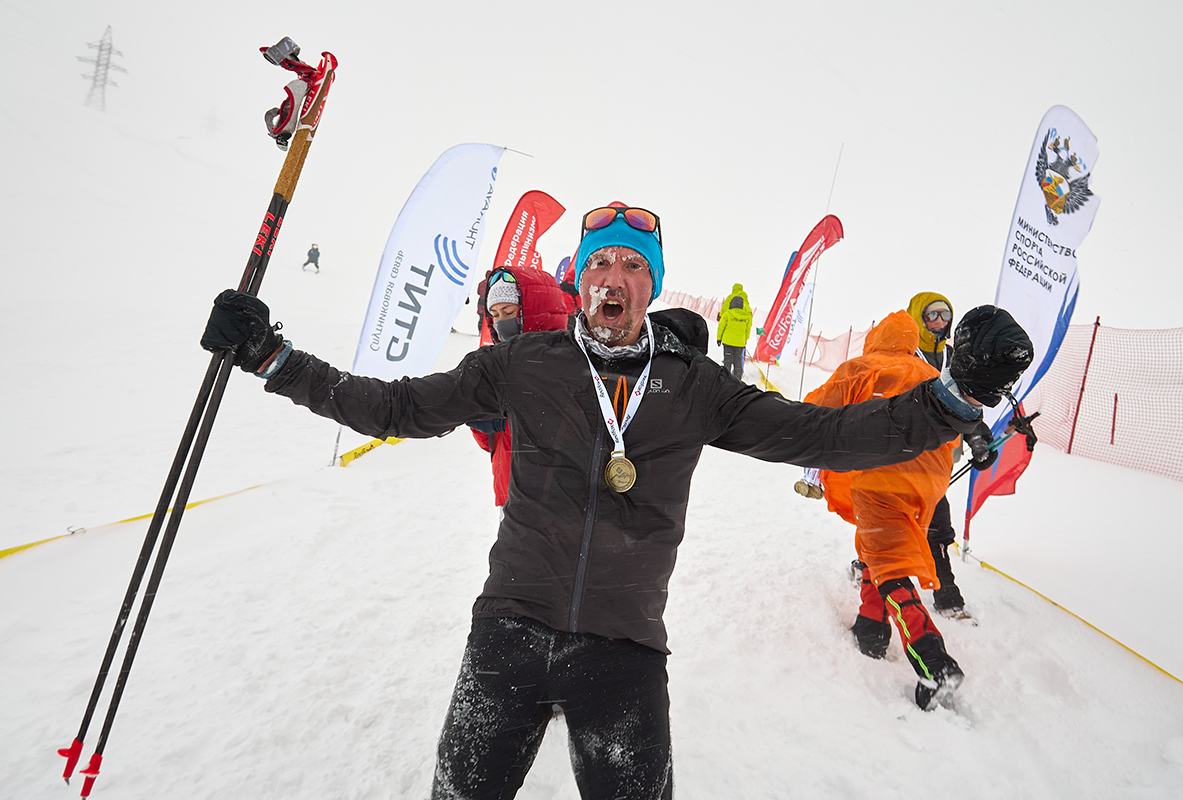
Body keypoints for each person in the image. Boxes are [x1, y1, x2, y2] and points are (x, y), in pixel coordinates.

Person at [200, 203, 1029, 797]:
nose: (616, 277)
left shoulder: (695, 387)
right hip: (510, 636)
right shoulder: (523, 364)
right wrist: (275, 358)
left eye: (634, 265)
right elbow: (394, 408)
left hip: (624, 654)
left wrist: (949, 403)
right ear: (579, 280)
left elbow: (823, 437)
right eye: (601, 262)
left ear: (653, 284)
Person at [800, 310, 997, 709]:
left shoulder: (860, 368)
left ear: (875, 339)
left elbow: (814, 413)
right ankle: (871, 627)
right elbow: (963, 416)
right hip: (928, 483)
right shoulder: (928, 373)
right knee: (879, 547)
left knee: (889, 565)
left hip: (879, 474)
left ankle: (934, 662)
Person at [467, 265, 571, 507]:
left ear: (531, 311)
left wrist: (507, 420)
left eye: (508, 311)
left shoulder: (562, 361)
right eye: (495, 314)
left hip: (551, 499)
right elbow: (493, 445)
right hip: (508, 494)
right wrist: (478, 419)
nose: (502, 321)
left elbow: (559, 432)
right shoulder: (497, 363)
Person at [906, 291, 969, 616]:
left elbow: (969, 403)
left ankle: (946, 594)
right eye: (933, 315)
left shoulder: (954, 358)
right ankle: (867, 565)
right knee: (896, 520)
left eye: (946, 315)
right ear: (919, 317)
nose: (940, 322)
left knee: (938, 525)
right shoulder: (906, 354)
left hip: (940, 458)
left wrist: (979, 437)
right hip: (902, 455)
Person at [716, 290, 753, 381]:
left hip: (727, 342)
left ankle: (725, 380)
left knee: (727, 361)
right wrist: (744, 341)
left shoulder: (727, 314)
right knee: (738, 362)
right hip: (739, 343)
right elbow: (747, 330)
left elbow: (721, 327)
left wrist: (719, 338)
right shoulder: (747, 317)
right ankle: (737, 381)